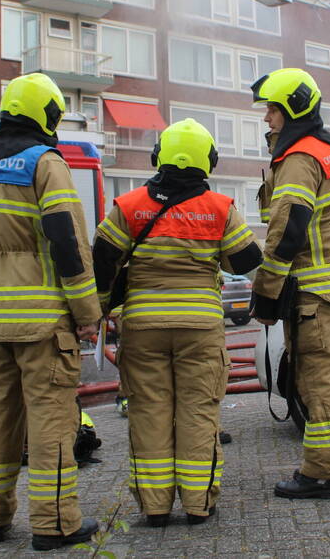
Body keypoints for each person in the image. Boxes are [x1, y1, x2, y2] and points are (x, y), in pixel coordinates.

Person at [0, 72, 101, 552]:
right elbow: (66, 242)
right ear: (47, 114)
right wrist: (87, 311)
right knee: (51, 422)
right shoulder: (45, 164)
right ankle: (54, 525)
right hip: (41, 322)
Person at [92, 119, 261, 526]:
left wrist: (100, 310)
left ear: (158, 157)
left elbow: (101, 259)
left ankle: (154, 507)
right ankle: (199, 504)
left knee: (149, 411)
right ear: (209, 161)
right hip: (200, 327)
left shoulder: (129, 206)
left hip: (144, 326)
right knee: (198, 411)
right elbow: (247, 261)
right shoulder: (221, 209)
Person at [249, 68, 330, 500]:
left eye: (272, 110)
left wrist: (266, 292)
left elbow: (289, 226)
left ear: (292, 109)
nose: (266, 119)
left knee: (318, 379)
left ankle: (324, 472)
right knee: (329, 371)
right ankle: (329, 466)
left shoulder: (299, 158)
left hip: (314, 284)